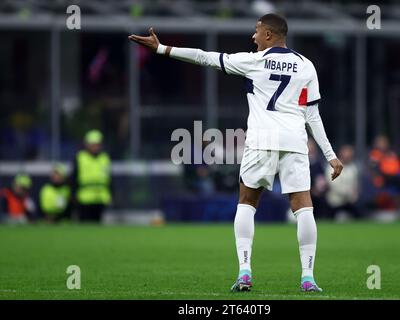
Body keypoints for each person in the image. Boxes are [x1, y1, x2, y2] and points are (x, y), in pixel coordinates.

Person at [129, 13, 343, 293]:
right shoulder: (306, 66)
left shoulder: (254, 61)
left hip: (261, 140)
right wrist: (331, 155)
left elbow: (205, 57)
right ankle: (308, 278)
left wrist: (161, 49)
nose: (253, 37)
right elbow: (312, 116)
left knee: (246, 203)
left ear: (269, 35)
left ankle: (244, 272)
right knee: (303, 206)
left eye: (256, 31)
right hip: (294, 141)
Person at [72, 130, 112, 223]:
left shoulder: (104, 158)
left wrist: (110, 194)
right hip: (84, 198)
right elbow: (73, 178)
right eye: (93, 144)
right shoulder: (80, 157)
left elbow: (109, 178)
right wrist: (74, 195)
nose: (95, 147)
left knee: (97, 227)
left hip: (100, 198)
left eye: (97, 144)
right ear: (87, 145)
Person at [325, 145, 360, 220]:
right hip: (335, 202)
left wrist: (353, 196)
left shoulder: (353, 168)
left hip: (350, 202)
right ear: (341, 153)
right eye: (346, 153)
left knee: (360, 215)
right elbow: (333, 185)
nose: (348, 155)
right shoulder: (332, 167)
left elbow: (355, 185)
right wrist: (347, 193)